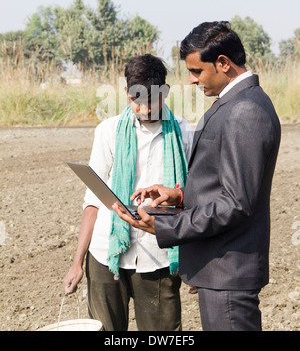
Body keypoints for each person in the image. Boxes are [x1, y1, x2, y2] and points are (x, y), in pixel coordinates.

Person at [113, 22, 281, 331]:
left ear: (222, 63)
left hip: (228, 273)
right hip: (219, 270)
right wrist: (178, 196)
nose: (191, 80)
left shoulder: (244, 111)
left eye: (196, 71)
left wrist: (166, 224)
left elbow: (235, 203)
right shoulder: (236, 104)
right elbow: (224, 186)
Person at [63, 54, 194, 331]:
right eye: (137, 101)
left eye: (152, 100)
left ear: (165, 93)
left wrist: (194, 263)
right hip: (105, 255)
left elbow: (194, 198)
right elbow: (93, 201)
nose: (145, 109)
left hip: (159, 258)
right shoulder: (108, 131)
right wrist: (77, 263)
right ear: (126, 93)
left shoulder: (184, 133)